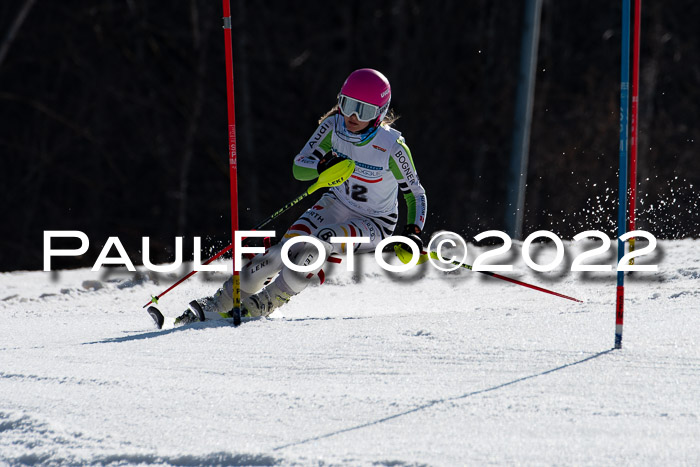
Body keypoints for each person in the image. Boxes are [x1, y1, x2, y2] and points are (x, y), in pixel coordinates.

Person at [177, 68, 427, 323]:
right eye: (347, 104)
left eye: (363, 110)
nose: (352, 116)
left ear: (379, 114)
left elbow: (416, 195)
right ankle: (222, 300)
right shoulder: (333, 127)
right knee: (281, 252)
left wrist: (413, 233)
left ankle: (265, 302)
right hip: (336, 203)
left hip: (375, 222)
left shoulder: (392, 147)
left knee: (319, 242)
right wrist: (320, 167)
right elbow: (299, 167)